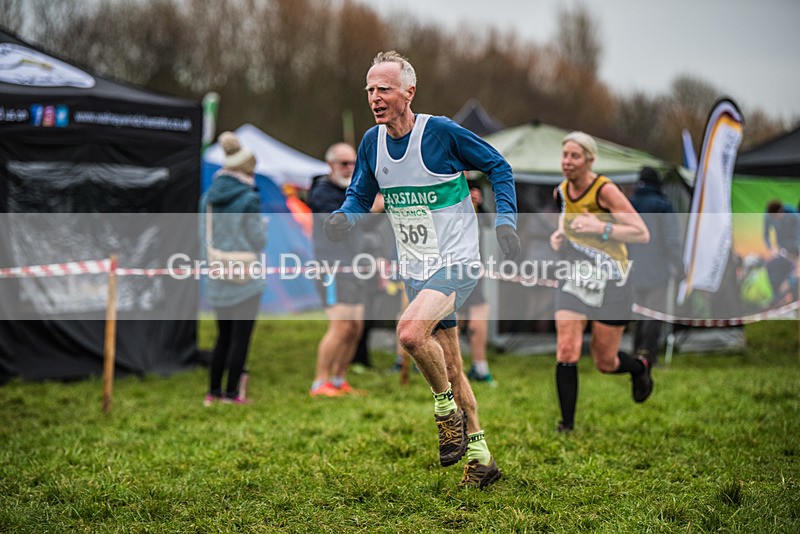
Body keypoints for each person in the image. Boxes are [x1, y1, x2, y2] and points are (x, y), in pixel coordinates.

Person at [324, 51, 520, 488]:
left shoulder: (442, 133)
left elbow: (498, 166)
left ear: (409, 92)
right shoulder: (372, 142)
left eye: (384, 89)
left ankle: (446, 414)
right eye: (370, 90)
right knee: (450, 364)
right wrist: (344, 218)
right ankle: (482, 458)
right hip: (417, 267)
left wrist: (505, 220)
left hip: (457, 262)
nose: (375, 98)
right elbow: (359, 195)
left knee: (411, 334)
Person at [548, 131, 652, 433]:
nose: (567, 162)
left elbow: (641, 232)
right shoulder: (561, 192)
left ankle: (639, 368)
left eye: (575, 156)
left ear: (589, 160)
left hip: (613, 280)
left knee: (605, 361)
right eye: (565, 155)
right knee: (566, 347)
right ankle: (566, 425)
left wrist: (600, 227)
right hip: (576, 278)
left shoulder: (604, 190)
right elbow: (566, 222)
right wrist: (560, 237)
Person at [200, 131, 266, 405]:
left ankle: (212, 392)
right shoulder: (249, 199)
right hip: (246, 278)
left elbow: (202, 236)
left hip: (217, 274)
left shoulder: (208, 198)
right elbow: (258, 241)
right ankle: (232, 394)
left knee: (222, 337)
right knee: (241, 339)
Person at [307, 142, 366, 397]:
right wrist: (368, 208)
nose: (350, 168)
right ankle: (320, 383)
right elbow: (339, 222)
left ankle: (339, 380)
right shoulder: (322, 192)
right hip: (330, 268)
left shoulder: (353, 192)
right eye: (344, 164)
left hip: (353, 267)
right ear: (330, 165)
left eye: (353, 163)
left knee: (355, 327)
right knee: (340, 327)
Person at [628, 167, 684, 366]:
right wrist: (680, 266)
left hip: (633, 271)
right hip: (658, 271)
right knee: (654, 315)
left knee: (639, 316)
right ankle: (648, 357)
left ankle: (637, 354)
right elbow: (671, 240)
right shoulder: (662, 205)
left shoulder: (629, 204)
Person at [461, 180, 495, 385]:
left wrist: (479, 206)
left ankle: (480, 367)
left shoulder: (474, 185)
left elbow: (488, 223)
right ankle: (448, 370)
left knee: (479, 318)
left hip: (473, 266)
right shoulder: (440, 181)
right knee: (451, 323)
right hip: (448, 266)